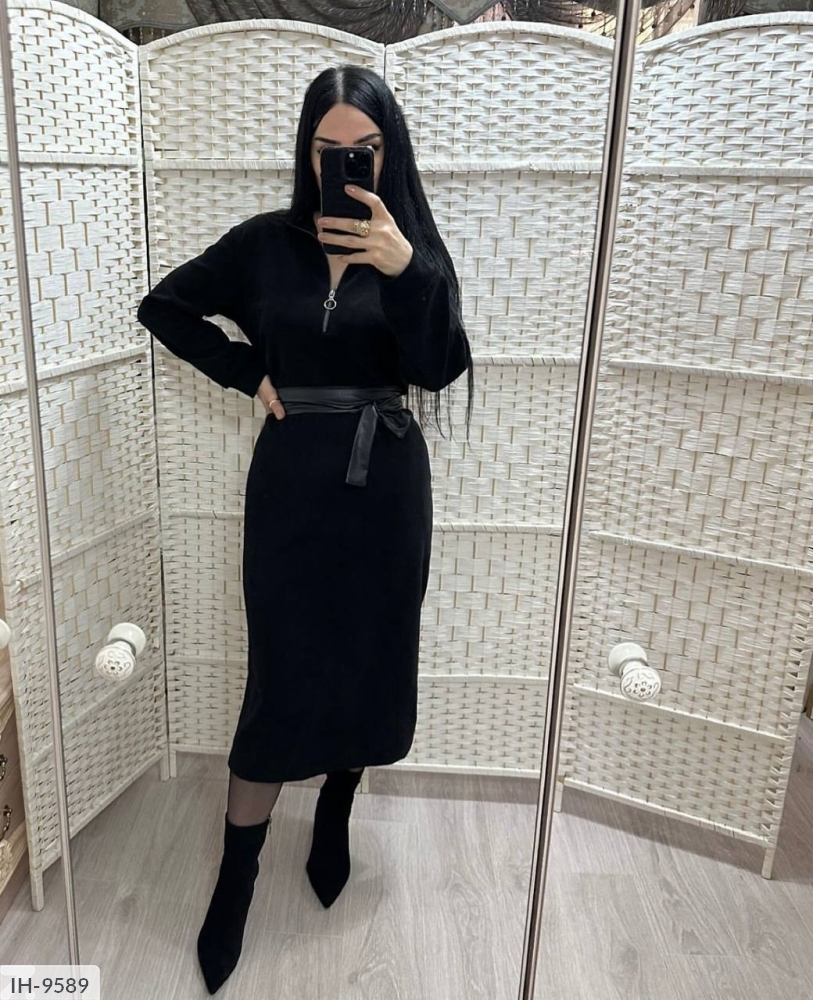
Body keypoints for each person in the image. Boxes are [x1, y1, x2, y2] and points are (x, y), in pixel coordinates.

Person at [136, 64, 474, 995]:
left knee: (367, 657)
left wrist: (406, 271)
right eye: (328, 150)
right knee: (280, 675)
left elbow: (440, 369)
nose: (345, 165)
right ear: (305, 152)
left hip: (386, 488)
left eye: (363, 150)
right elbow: (163, 306)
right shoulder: (262, 245)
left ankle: (335, 809)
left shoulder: (412, 251)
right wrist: (246, 372)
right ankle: (236, 878)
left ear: (388, 154)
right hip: (290, 487)